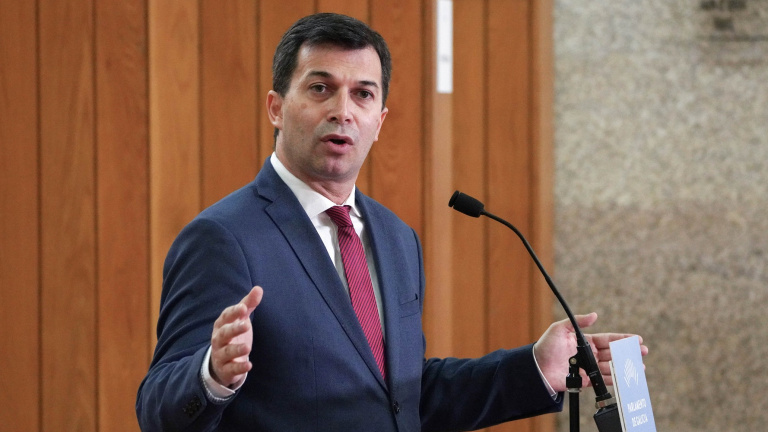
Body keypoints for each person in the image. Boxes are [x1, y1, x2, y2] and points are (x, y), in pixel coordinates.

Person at [136, 12, 647, 432]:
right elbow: (156, 406)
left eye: (363, 94)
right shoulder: (223, 238)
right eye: (320, 88)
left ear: (379, 120)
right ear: (276, 107)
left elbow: (403, 398)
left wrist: (536, 367)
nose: (343, 111)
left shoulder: (395, 237)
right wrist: (211, 376)